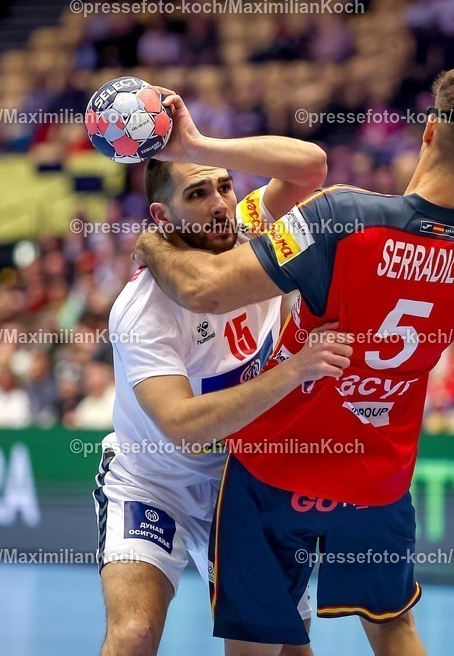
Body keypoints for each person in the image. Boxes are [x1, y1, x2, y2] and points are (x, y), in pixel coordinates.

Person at [133, 0, 454, 655]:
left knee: (260, 637)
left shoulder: (345, 217)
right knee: (394, 625)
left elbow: (203, 290)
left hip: (277, 461)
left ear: (428, 133)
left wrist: (149, 242)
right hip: (378, 473)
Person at [96, 92, 353, 655]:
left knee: (287, 645)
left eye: (224, 186)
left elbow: (312, 166)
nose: (220, 204)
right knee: (134, 633)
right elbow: (185, 425)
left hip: (244, 481)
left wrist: (200, 146)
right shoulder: (141, 310)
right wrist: (295, 370)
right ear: (162, 218)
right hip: (154, 482)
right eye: (197, 193)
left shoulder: (256, 232)